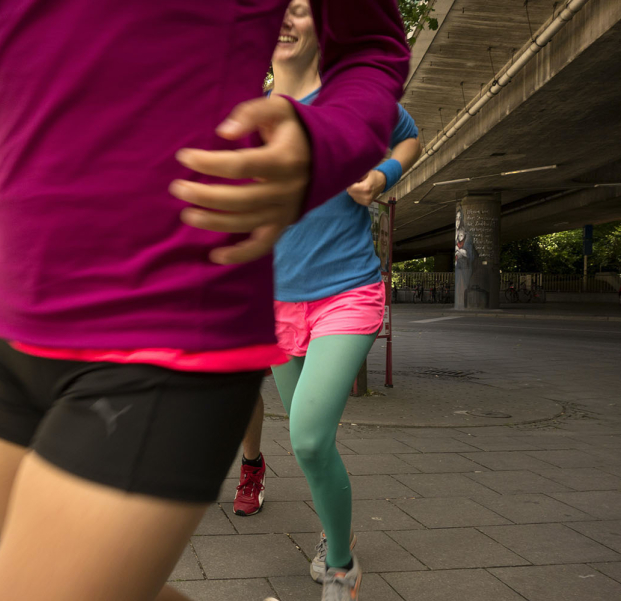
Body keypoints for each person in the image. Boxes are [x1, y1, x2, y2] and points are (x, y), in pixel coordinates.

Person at [0, 0, 410, 598]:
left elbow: (373, 50)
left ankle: (340, 558)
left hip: (167, 321)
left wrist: (325, 139)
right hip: (18, 325)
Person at [235, 3, 421, 600]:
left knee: (311, 437)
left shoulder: (355, 97)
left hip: (347, 292)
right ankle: (333, 533)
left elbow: (409, 136)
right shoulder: (248, 114)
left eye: (302, 8)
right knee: (309, 444)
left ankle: (341, 567)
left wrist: (380, 177)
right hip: (274, 304)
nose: (285, 18)